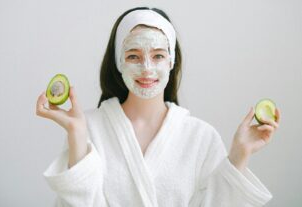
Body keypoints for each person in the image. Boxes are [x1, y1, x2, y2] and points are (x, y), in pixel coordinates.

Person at [36, 7, 281, 207]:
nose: (147, 68)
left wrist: (239, 154)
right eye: (133, 56)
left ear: (172, 61)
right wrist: (78, 136)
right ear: (119, 63)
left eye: (158, 56)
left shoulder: (201, 137)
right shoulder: (90, 128)